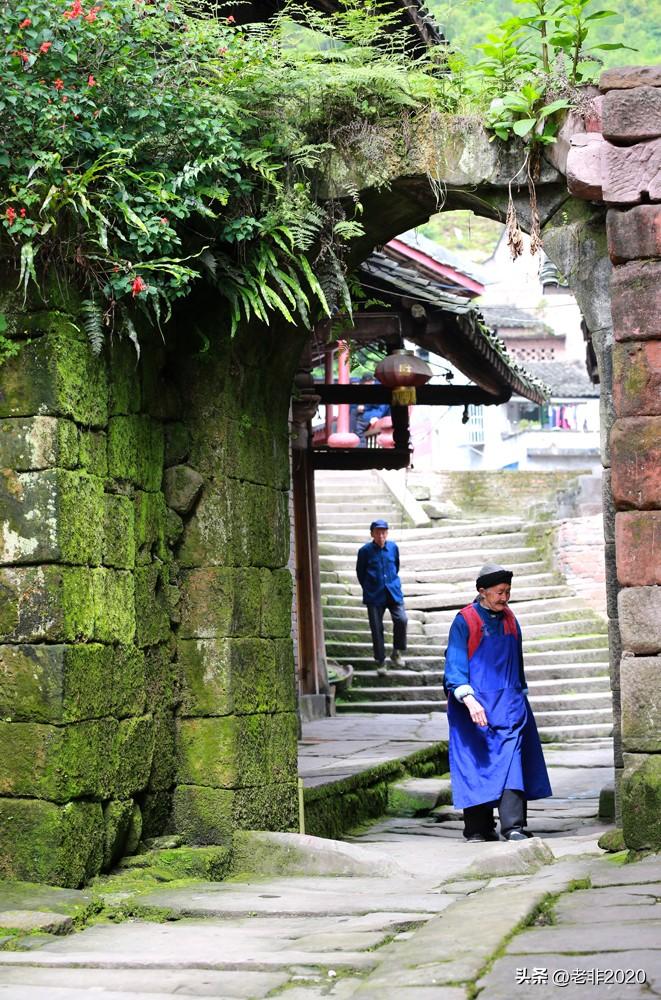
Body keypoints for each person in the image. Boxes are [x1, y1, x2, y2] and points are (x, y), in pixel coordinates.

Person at [443, 563, 552, 842]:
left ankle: (513, 826)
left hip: (510, 706)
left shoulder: (510, 619)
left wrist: (522, 693)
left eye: (508, 592)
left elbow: (518, 661)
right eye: (500, 592)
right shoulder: (465, 620)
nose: (505, 597)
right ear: (482, 591)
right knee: (476, 764)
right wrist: (468, 700)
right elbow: (454, 666)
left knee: (512, 764)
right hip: (475, 708)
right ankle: (478, 828)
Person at [356, 519, 408, 675]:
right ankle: (380, 662)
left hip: (393, 591)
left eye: (384, 532)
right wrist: (369, 587)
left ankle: (396, 652)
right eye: (378, 532)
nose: (381, 535)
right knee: (377, 628)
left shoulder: (393, 548)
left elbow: (396, 566)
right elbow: (360, 573)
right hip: (374, 594)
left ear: (387, 533)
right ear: (372, 534)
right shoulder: (364, 551)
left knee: (402, 619)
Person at [354, 376, 389, 447]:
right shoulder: (379, 386)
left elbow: (379, 406)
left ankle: (361, 451)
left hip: (374, 413)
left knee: (358, 429)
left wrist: (364, 408)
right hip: (376, 411)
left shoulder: (376, 389)